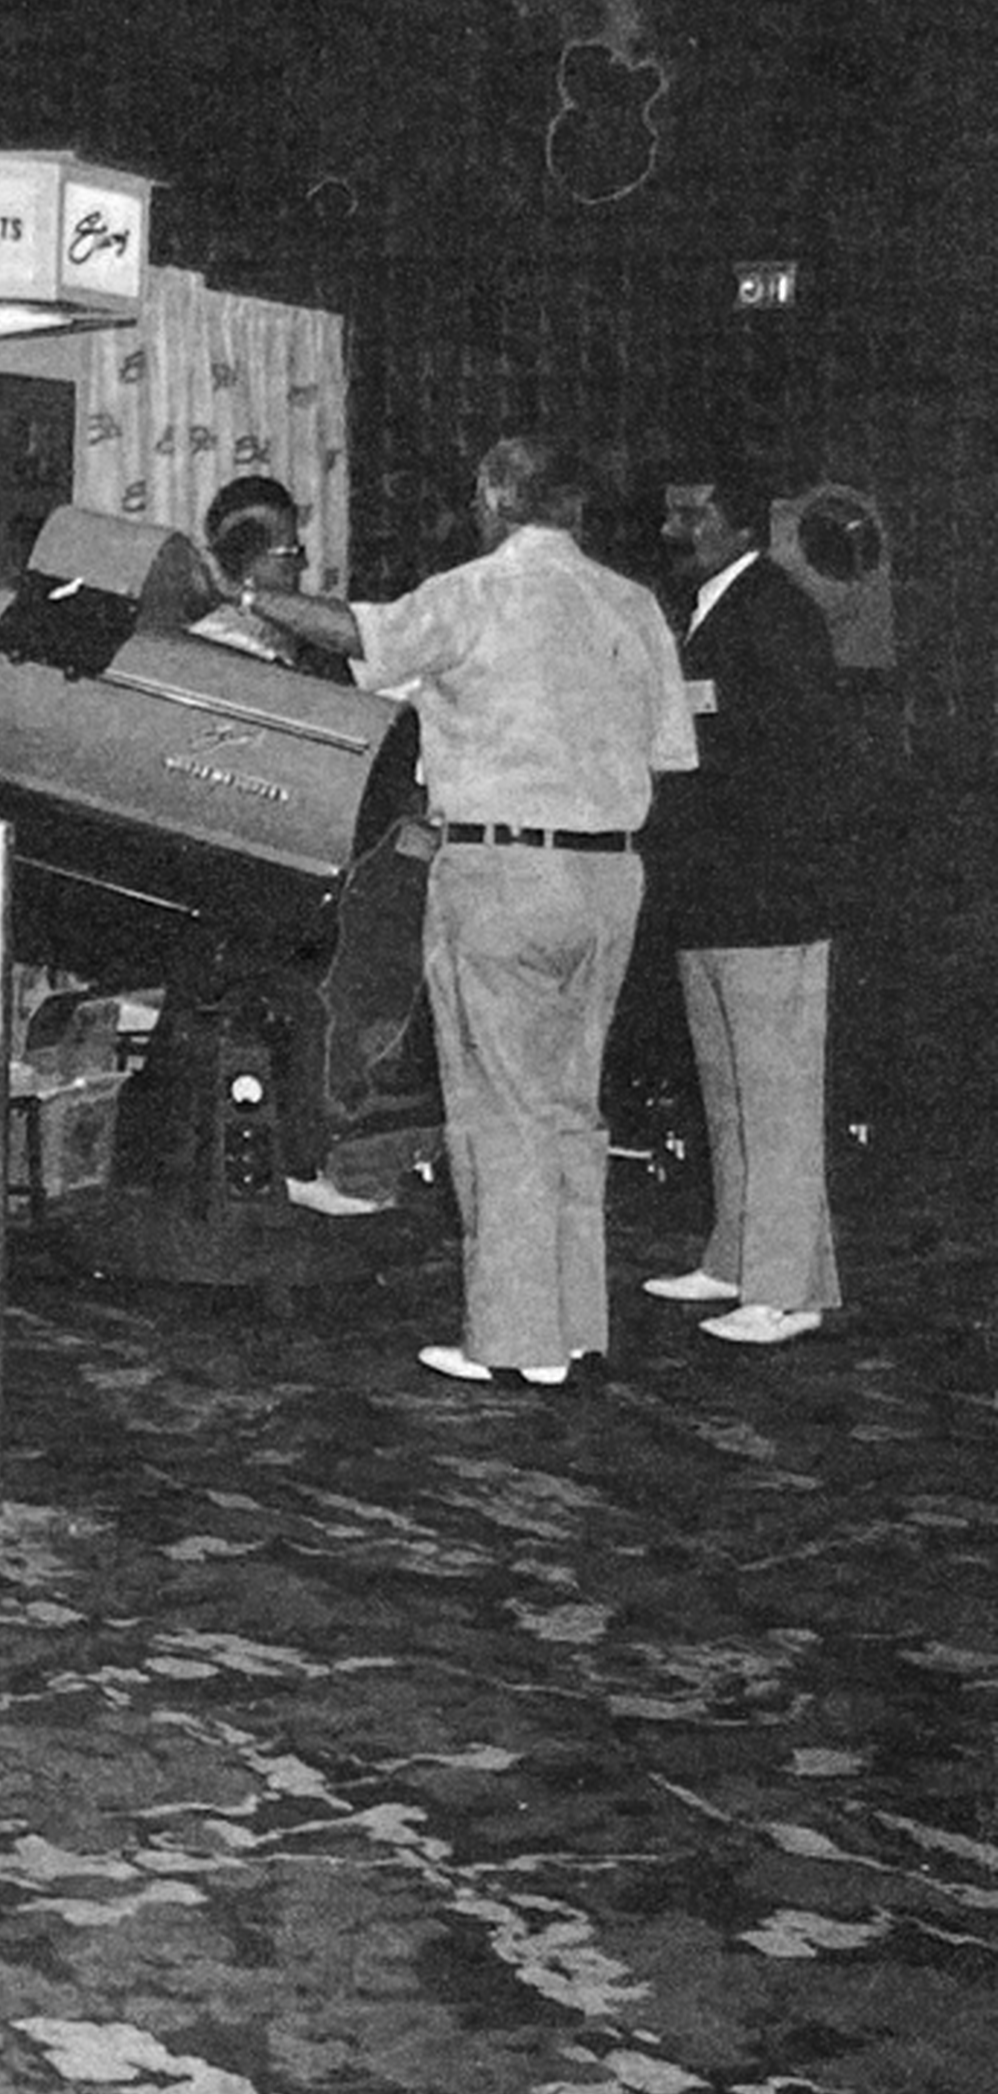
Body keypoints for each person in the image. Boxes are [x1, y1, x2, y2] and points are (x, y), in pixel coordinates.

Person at [220, 434, 695, 1388]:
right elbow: (670, 752)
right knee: (570, 1107)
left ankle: (513, 1343)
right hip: (612, 878)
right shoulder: (635, 604)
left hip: (504, 871)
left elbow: (363, 634)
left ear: (493, 499)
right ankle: (574, 1329)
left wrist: (241, 595)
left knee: (498, 1108)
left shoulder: (477, 590)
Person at [640, 450, 846, 1347]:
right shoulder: (707, 610)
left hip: (769, 896)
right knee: (726, 1091)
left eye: (688, 515)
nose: (670, 530)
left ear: (736, 522)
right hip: (713, 892)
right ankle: (735, 1255)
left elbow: (799, 766)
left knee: (778, 1098)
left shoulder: (778, 613)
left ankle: (787, 1289)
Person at [187, 474, 353, 684]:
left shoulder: (315, 648)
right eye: (290, 554)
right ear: (244, 562)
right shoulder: (207, 654)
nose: (303, 565)